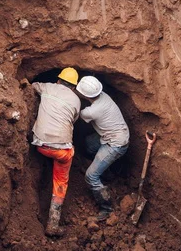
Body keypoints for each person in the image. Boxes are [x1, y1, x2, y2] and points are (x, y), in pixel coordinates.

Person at [30, 67, 81, 237]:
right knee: (60, 180)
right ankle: (53, 223)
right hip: (62, 151)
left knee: (52, 154)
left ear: (58, 80)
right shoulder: (76, 100)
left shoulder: (47, 87)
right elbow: (73, 119)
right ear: (74, 87)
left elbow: (32, 86)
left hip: (41, 146)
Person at [76, 75, 130, 221]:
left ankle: (106, 208)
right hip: (114, 134)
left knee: (91, 176)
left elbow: (78, 114)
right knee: (88, 144)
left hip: (115, 144)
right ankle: (106, 170)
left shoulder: (92, 111)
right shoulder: (103, 95)